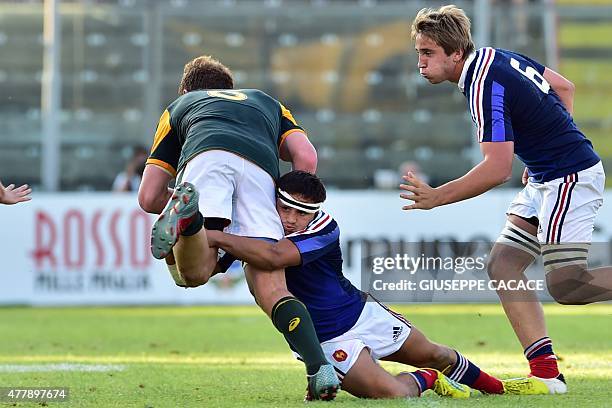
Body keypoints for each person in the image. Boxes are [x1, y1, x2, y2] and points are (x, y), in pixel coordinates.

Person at [403, 4, 611, 394]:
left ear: (455, 53)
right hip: (548, 174)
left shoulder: (481, 83)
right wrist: (546, 147)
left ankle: (548, 374)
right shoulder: (497, 57)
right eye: (418, 52)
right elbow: (564, 86)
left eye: (428, 53)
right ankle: (547, 375)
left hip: (569, 176)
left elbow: (497, 169)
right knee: (503, 264)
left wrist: (436, 197)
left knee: (567, 286)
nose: (420, 62)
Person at [206, 170, 542, 400]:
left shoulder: (325, 228)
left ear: (315, 212)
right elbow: (217, 267)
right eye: (286, 208)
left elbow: (275, 256)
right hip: (326, 339)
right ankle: (429, 379)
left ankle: (499, 390)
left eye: (302, 213)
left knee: (436, 352)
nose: (292, 219)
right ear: (273, 203)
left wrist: (214, 236)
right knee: (393, 394)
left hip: (361, 313)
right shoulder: (257, 224)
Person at [137, 56, 339, 400]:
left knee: (193, 274)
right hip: (261, 172)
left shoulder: (180, 105)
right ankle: (319, 369)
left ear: (186, 89)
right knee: (271, 284)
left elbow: (148, 196)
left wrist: (180, 209)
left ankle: (193, 218)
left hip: (206, 160)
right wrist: (286, 207)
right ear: (232, 90)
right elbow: (305, 156)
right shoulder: (266, 101)